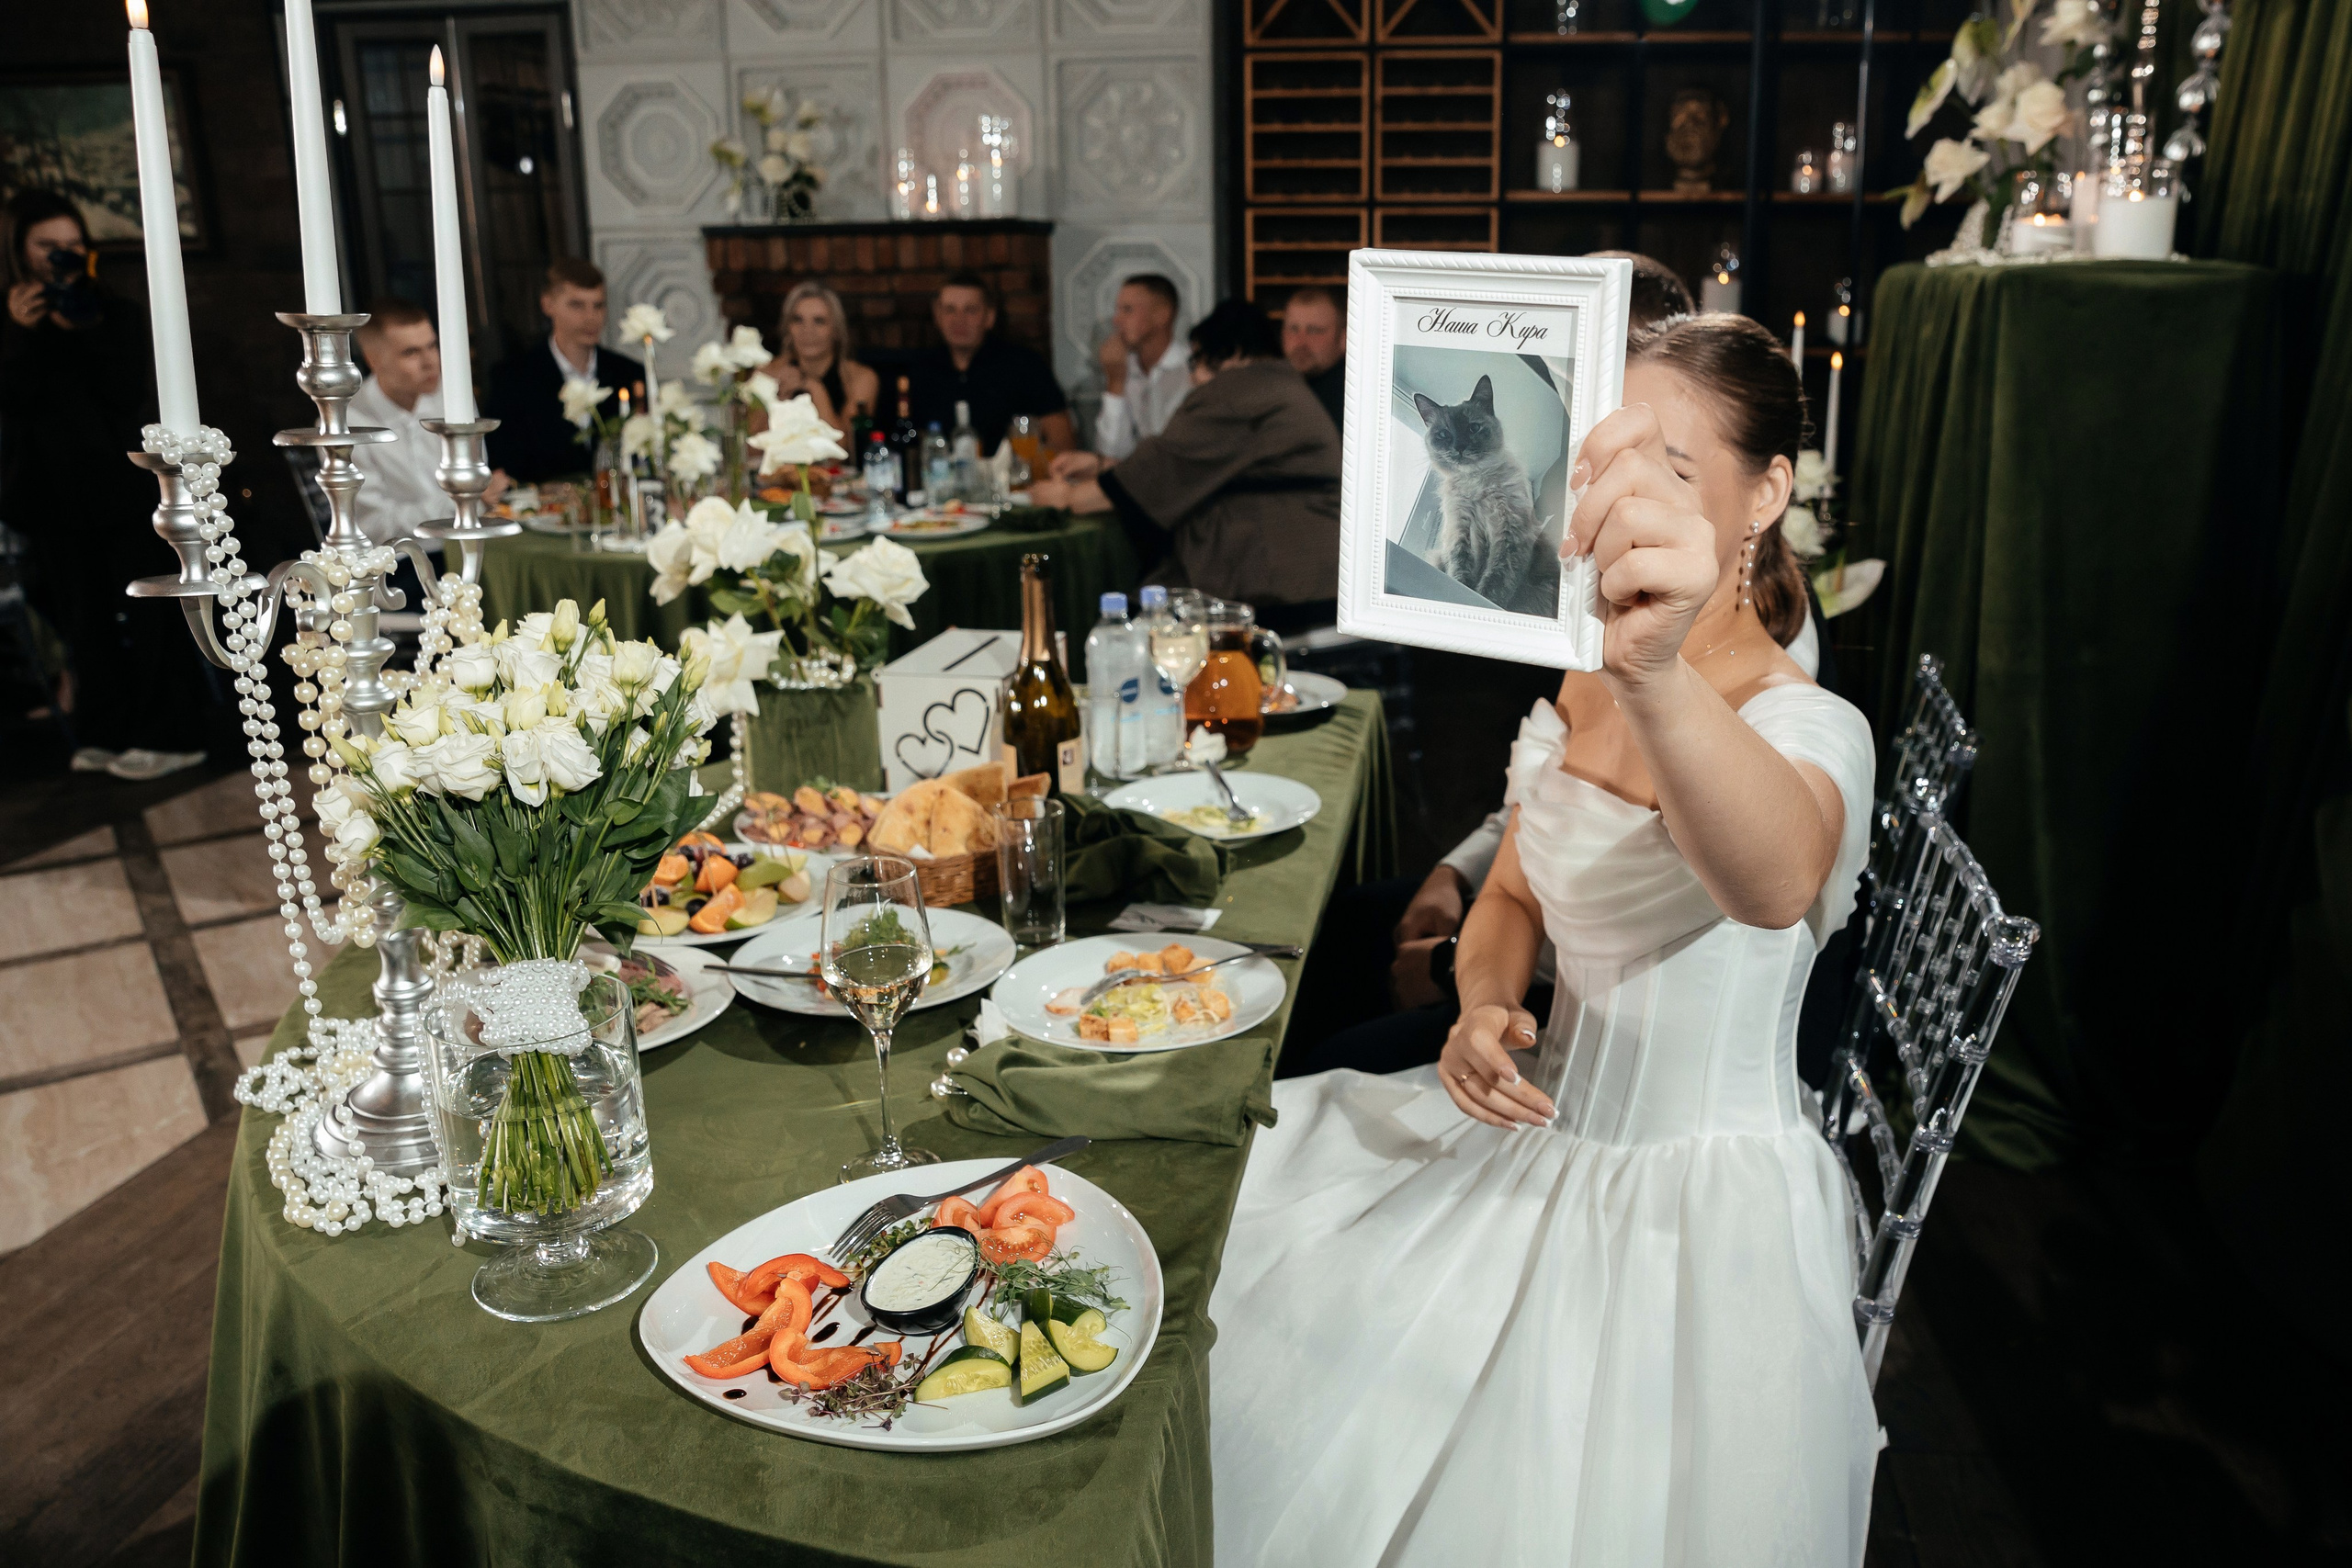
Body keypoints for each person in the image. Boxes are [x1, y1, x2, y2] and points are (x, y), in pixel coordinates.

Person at [1209, 314, 1880, 1565]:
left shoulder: (1810, 718)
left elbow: (1777, 877)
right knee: (1242, 1244)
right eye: (1608, 457)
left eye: (1669, 465)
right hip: (1534, 1123)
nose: (1627, 492)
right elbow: (1510, 894)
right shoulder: (1580, 671)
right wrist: (1477, 1002)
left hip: (1692, 1219)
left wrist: (1656, 668)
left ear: (1767, 490)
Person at [1, 188, 214, 781]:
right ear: (19, 249)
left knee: (150, 613)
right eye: (48, 245)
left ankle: (172, 734)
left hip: (121, 487)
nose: (62, 256)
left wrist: (82, 326)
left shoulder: (110, 311)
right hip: (48, 496)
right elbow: (12, 402)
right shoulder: (9, 319)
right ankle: (106, 729)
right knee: (82, 621)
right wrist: (22, 334)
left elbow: (129, 393)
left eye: (74, 244)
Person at [1030, 299, 1339, 619]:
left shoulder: (1237, 390)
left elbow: (1164, 464)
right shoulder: (1277, 383)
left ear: (1233, 354)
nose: (1192, 379)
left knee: (1126, 621)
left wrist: (1067, 497)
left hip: (1273, 582)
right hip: (1303, 570)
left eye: (1197, 361)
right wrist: (1102, 465)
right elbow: (1190, 468)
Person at [349, 299, 505, 546]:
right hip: (400, 563)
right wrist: (463, 503)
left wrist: (475, 499)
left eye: (432, 346)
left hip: (469, 541)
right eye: (410, 352)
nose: (430, 361)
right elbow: (375, 526)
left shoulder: (453, 396)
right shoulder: (351, 421)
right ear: (373, 360)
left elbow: (476, 476)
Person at [482, 259, 641, 483]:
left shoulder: (629, 374)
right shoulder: (512, 379)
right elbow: (503, 465)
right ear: (548, 305)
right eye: (577, 305)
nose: (590, 317)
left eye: (598, 305)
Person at [904, 272, 1074, 455]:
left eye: (970, 310)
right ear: (937, 316)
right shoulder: (921, 369)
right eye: (950, 310)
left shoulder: (1025, 364)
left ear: (989, 317)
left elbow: (1062, 439)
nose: (959, 320)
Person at [753, 280, 876, 431]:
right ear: (788, 328)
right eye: (798, 320)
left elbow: (845, 450)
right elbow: (748, 446)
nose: (807, 330)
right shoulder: (767, 374)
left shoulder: (861, 378)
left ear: (836, 330)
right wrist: (777, 399)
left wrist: (813, 387)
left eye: (819, 321)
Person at [1091, 273, 1189, 460]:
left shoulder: (1191, 371)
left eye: (1127, 310)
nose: (1116, 320)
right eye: (1117, 310)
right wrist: (1115, 382)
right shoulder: (1124, 368)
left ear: (1162, 315)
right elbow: (1109, 455)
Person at [1281, 285, 1346, 436]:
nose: (1300, 342)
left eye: (1314, 331)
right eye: (1293, 329)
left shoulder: (1352, 399)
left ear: (1343, 338)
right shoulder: (1272, 388)